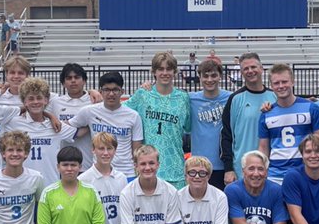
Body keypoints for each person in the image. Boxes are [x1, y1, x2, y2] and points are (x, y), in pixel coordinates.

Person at [126, 52, 191, 188]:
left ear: (175, 72)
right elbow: (116, 110)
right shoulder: (143, 94)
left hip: (175, 169)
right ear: (154, 72)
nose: (165, 73)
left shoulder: (183, 98)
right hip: (148, 169)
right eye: (160, 69)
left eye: (168, 69)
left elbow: (189, 127)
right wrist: (92, 93)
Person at [257, 63, 319, 187]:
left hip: (305, 173)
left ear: (292, 82)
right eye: (276, 83)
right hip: (276, 175)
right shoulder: (266, 113)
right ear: (271, 86)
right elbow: (263, 148)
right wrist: (264, 171)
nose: (281, 86)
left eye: (285, 82)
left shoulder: (311, 108)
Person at [71, 71, 144, 179]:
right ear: (101, 91)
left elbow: (136, 150)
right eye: (107, 90)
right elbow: (66, 126)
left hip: (126, 174)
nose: (111, 94)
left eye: (115, 90)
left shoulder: (133, 116)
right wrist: (49, 116)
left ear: (122, 91)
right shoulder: (89, 112)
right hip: (98, 174)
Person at [220, 52, 276, 184]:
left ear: (261, 69)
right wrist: (228, 169)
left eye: (253, 67)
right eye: (246, 68)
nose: (250, 71)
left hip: (271, 170)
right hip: (241, 170)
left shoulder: (274, 97)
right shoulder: (235, 99)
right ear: (241, 72)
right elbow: (226, 135)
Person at [10, 77, 76, 186]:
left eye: (39, 98)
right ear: (24, 102)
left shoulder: (56, 125)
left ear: (46, 100)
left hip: (50, 186)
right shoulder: (14, 123)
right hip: (24, 188)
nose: (35, 102)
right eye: (31, 99)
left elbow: (79, 132)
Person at [189, 59, 230, 189]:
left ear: (220, 76)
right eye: (205, 76)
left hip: (223, 165)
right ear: (199, 77)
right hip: (199, 165)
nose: (209, 79)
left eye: (213, 75)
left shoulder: (231, 98)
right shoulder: (190, 99)